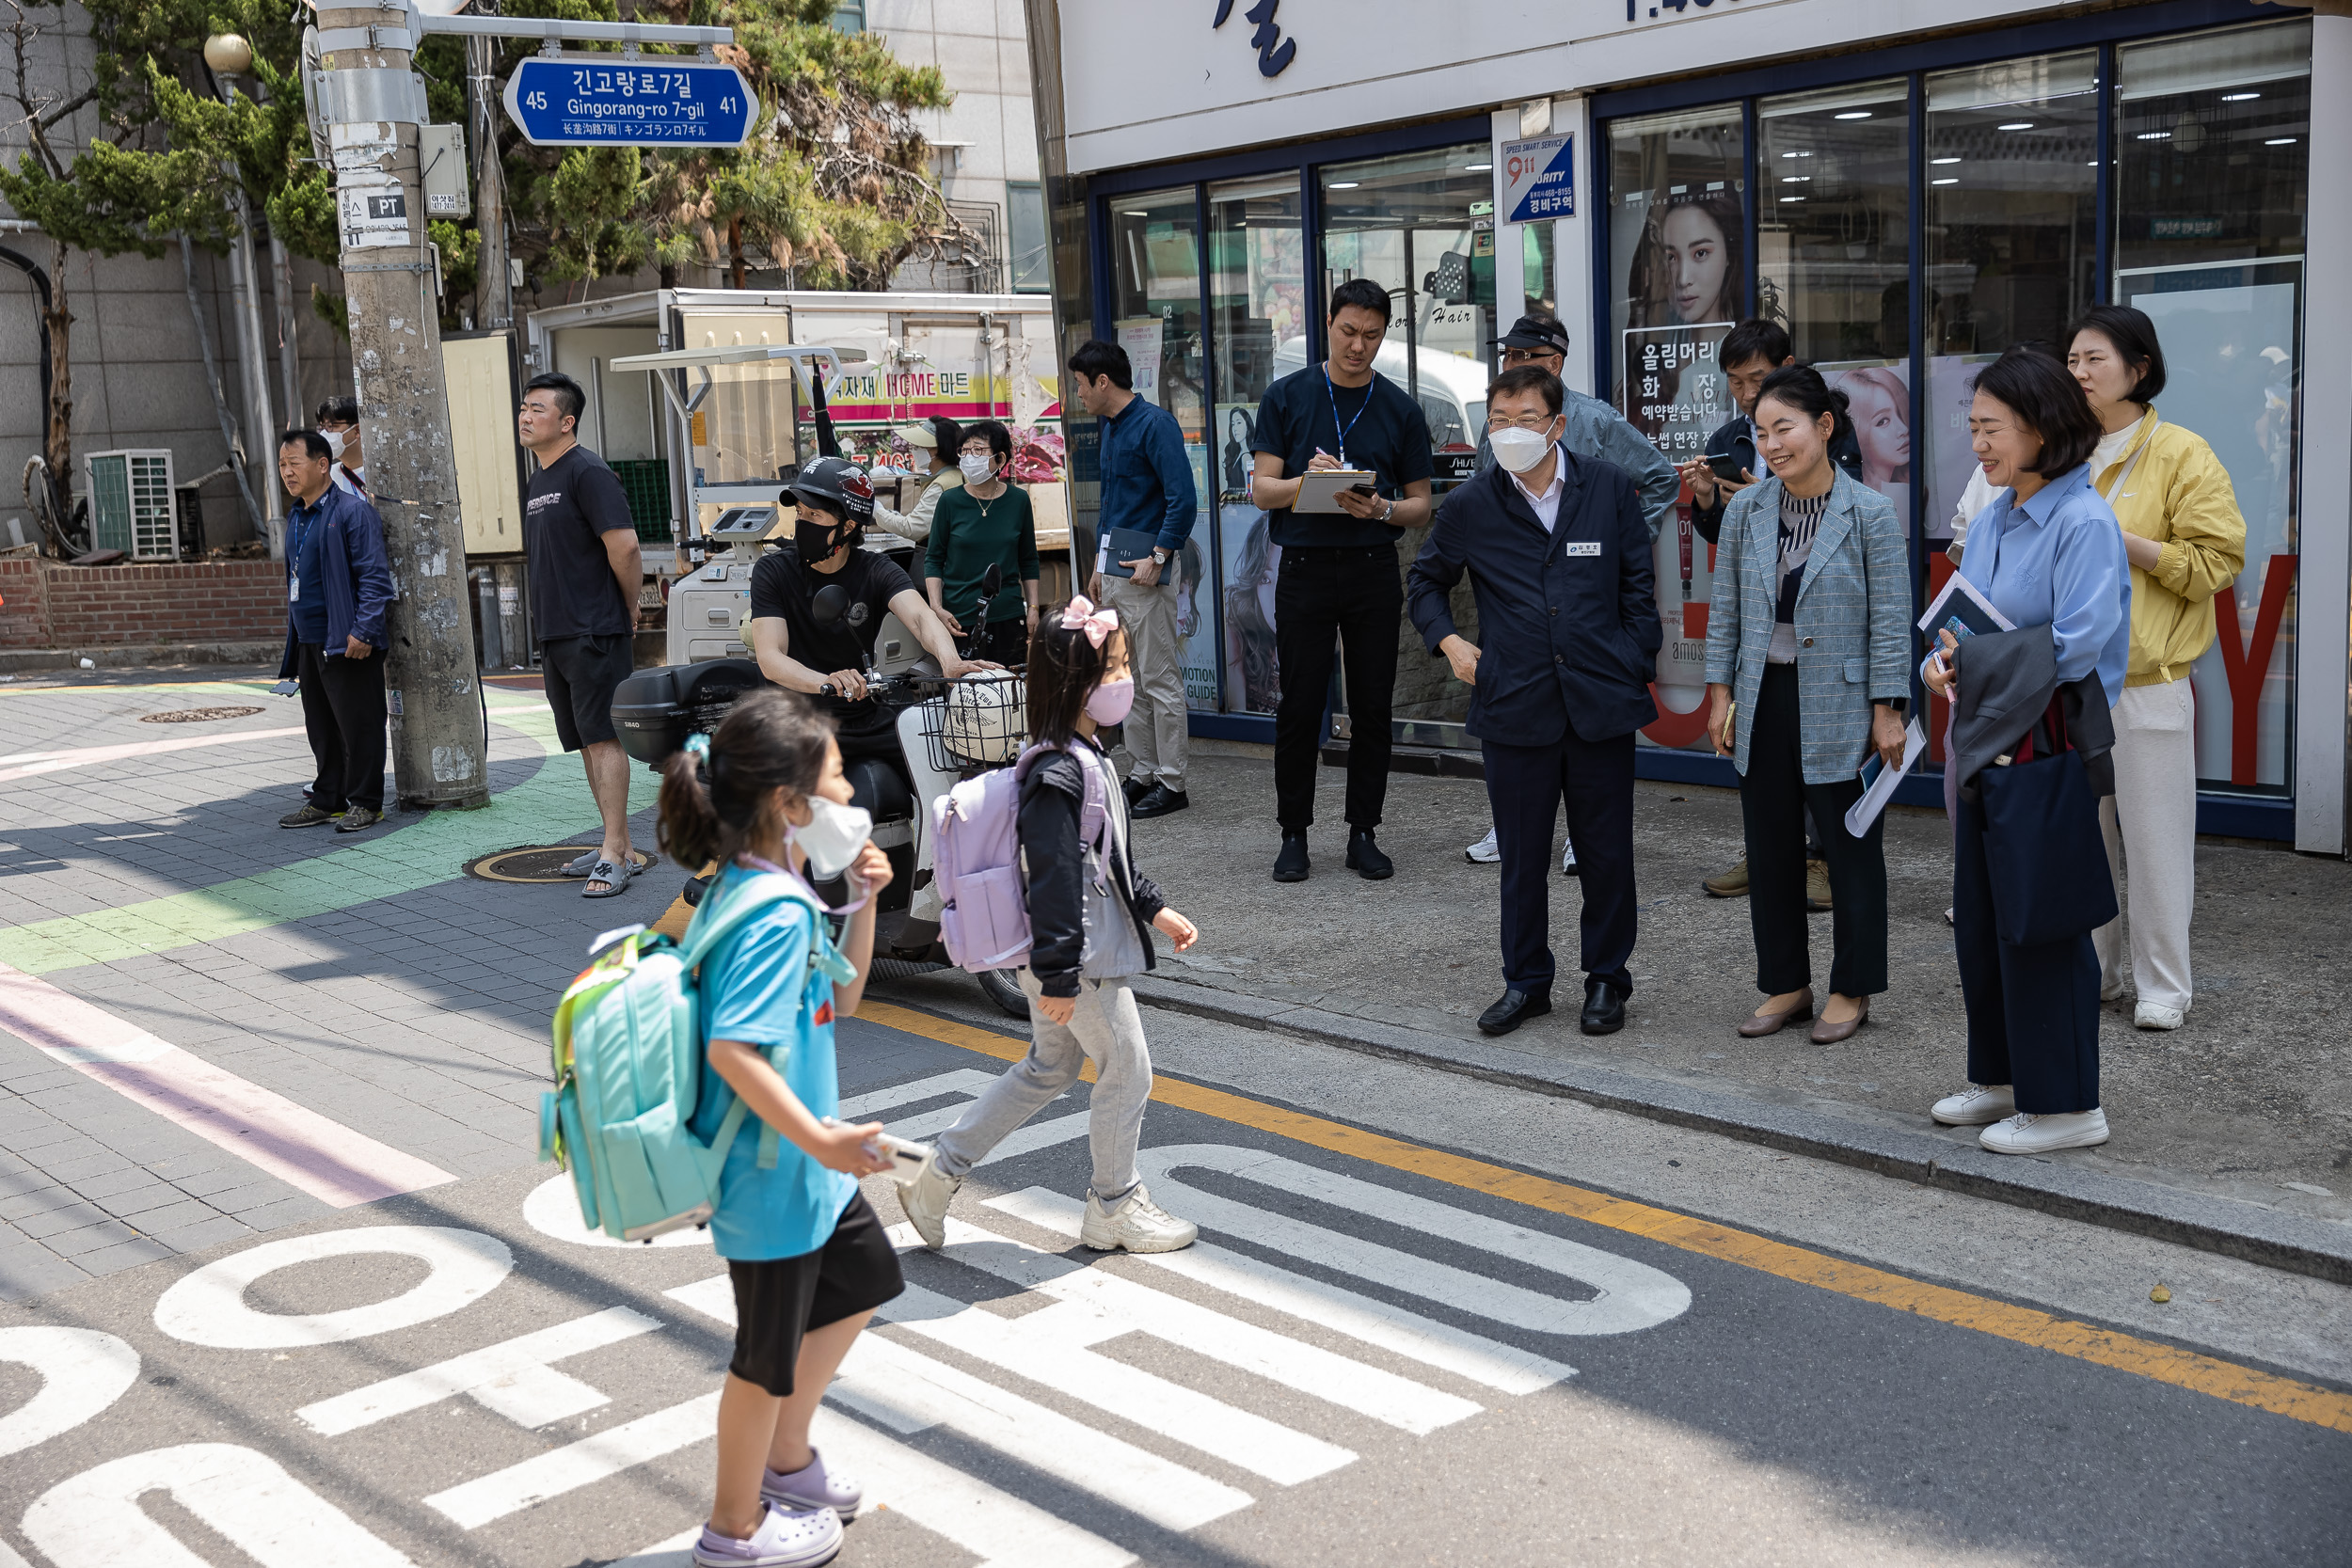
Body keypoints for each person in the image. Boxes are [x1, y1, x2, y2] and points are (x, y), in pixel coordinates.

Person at [654, 689, 904, 1568]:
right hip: (775, 1174)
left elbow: (841, 998)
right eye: (837, 776)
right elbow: (734, 1051)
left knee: (868, 1275)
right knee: (763, 1359)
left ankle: (789, 1460)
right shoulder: (772, 910)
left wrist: (865, 900)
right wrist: (827, 1141)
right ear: (789, 805)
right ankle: (734, 1529)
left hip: (807, 1169)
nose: (853, 792)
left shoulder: (774, 887)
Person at [898, 597, 1202, 1254]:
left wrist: (1151, 906)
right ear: (1081, 685)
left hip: (1063, 953)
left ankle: (937, 1171)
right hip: (1075, 957)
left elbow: (1106, 855)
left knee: (1049, 1065)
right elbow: (1058, 878)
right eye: (1116, 666)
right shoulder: (1060, 770)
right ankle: (1115, 1203)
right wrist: (1061, 976)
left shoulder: (1073, 755)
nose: (1125, 678)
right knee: (1127, 1068)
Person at [1407, 365, 1661, 1038]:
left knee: (1606, 854)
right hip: (1515, 705)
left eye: (1525, 419)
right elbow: (1425, 582)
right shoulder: (1471, 504)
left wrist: (1633, 659)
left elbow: (1639, 585)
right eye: (1498, 420)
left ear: (1558, 425)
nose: (1511, 432)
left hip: (1601, 703)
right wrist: (1452, 645)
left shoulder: (1607, 488)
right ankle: (1526, 982)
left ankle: (1607, 979)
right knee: (1521, 858)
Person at [1925, 347, 2129, 1156]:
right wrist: (1943, 661)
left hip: (2044, 752)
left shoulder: (2084, 521)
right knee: (1984, 920)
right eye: (1972, 428)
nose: (1978, 445)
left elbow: (2078, 646)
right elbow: (1967, 619)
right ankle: (2006, 1080)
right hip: (1988, 744)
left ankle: (2069, 1104)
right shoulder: (2003, 513)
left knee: (2043, 926)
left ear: (2044, 429)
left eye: (1992, 429)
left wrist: (1969, 662)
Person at [1703, 367, 1911, 1044]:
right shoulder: (1746, 511)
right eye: (1761, 433)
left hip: (1844, 699)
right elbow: (1726, 609)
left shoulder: (1871, 513)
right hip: (1764, 693)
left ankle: (1852, 988)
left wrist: (1888, 707)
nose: (1771, 445)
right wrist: (1720, 693)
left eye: (1784, 428)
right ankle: (1786, 983)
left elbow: (1890, 618)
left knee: (1850, 846)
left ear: (1823, 427)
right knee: (1768, 848)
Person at [2065, 305, 2246, 1032]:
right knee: (2086, 841)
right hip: (2073, 681)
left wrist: (2130, 543)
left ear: (2139, 369)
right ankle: (2097, 973)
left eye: (2094, 360)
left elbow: (2218, 563)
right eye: (2072, 359)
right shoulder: (2062, 449)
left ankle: (2164, 985)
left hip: (2149, 682)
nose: (2078, 372)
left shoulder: (2182, 452)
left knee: (2156, 841)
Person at [1462, 313, 1677, 876]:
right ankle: (1506, 825)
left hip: (1585, 598)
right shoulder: (1500, 423)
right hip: (1515, 599)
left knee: (1587, 729)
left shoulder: (1597, 421)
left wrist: (1626, 538)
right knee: (1517, 729)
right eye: (1505, 356)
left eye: (1521, 355)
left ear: (1553, 363)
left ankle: (1582, 836)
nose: (1508, 366)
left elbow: (1660, 478)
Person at [1249, 276, 1436, 882]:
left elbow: (1420, 506)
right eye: (1349, 331)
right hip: (1303, 568)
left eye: (1373, 336)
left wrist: (1379, 508)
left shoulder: (1402, 408)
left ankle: (1363, 832)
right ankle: (1293, 833)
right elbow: (1260, 491)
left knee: (1373, 707)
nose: (1359, 346)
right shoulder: (1287, 396)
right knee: (1300, 706)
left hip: (1371, 568)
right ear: (1328, 324)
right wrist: (1311, 485)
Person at [1679, 318, 1867, 903]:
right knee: (1761, 757)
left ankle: (1820, 858)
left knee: (1822, 757)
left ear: (1788, 364)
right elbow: (1719, 535)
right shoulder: (1732, 435)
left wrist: (1767, 499)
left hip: (1821, 617)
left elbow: (1847, 502)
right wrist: (1712, 499)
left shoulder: (1828, 427)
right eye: (1735, 382)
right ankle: (1765, 852)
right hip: (1761, 610)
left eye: (1756, 378)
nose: (1745, 395)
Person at [749, 456, 986, 787]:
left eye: (814, 515)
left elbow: (920, 617)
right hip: (795, 721)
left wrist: (950, 661)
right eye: (800, 513)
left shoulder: (876, 569)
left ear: (847, 526)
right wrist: (827, 682)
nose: (802, 523)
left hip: (860, 715)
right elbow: (771, 658)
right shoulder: (772, 571)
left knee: (943, 771)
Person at [517, 371, 646, 898]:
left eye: (539, 409)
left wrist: (629, 605)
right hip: (557, 631)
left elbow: (626, 547)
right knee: (587, 743)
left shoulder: (587, 472)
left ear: (567, 421)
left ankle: (615, 854)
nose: (526, 416)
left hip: (593, 628)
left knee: (603, 738)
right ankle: (620, 844)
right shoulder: (540, 477)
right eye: (524, 408)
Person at [1073, 337, 1200, 818]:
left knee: (1159, 676)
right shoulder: (1111, 428)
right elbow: (1110, 507)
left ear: (1104, 381)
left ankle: (1173, 782)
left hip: (1148, 572)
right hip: (1118, 570)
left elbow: (1182, 500)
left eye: (1082, 385)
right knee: (1131, 677)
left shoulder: (1156, 425)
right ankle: (1144, 771)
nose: (1079, 394)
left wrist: (1160, 555)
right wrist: (1098, 566)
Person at [274, 429, 393, 834]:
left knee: (359, 723)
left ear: (323, 465)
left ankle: (366, 802)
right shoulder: (297, 515)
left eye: (295, 463)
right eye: (282, 465)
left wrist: (363, 630)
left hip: (347, 640)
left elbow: (375, 578)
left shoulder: (351, 511)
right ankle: (329, 798)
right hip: (309, 640)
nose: (287, 472)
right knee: (321, 725)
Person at [926, 419, 1041, 667]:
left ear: (1000, 459)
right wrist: (936, 608)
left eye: (978, 450)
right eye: (965, 450)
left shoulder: (1019, 501)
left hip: (1008, 617)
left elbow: (1028, 559)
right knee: (965, 697)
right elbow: (934, 558)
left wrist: (1033, 607)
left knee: (1010, 694)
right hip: (959, 620)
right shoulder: (949, 501)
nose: (969, 457)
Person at [868, 416, 962, 546]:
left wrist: (878, 511)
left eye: (920, 446)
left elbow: (911, 529)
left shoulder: (940, 486)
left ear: (938, 449)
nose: (914, 450)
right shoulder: (958, 476)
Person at [316, 395, 368, 497]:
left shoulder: (383, 474)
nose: (324, 433)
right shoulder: (326, 478)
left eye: (330, 426)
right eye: (321, 427)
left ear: (357, 430)